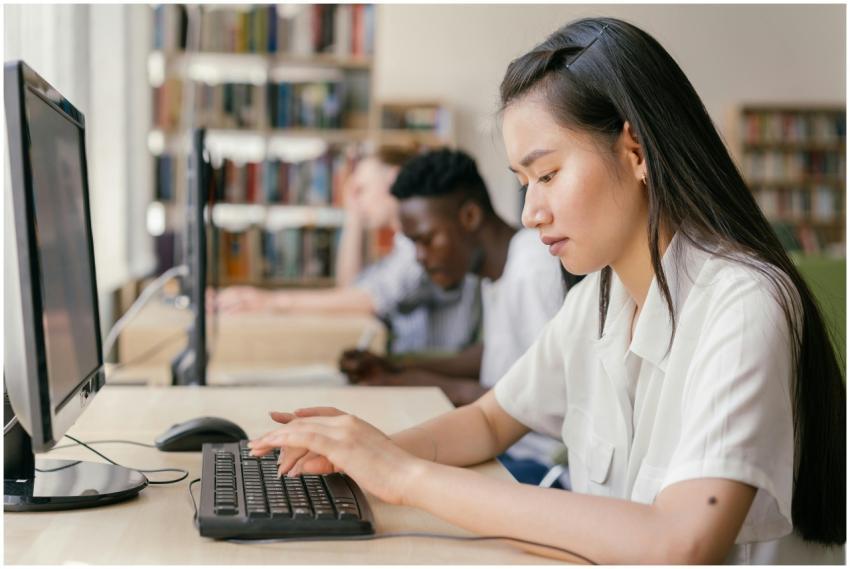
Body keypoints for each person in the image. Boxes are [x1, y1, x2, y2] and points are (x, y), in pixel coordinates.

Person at [248, 17, 846, 563]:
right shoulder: (598, 298)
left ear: (635, 151)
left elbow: (680, 542)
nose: (531, 212)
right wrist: (362, 456)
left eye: (548, 174)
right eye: (523, 182)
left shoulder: (743, 303)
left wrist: (405, 477)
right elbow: (488, 421)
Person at [338, 148, 573, 486]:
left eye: (427, 239)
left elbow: (545, 399)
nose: (420, 257)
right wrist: (398, 366)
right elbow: (496, 357)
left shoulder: (532, 268)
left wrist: (417, 381)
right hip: (509, 449)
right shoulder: (496, 271)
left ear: (469, 217)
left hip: (541, 464)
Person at [214, 146, 481, 355]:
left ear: (394, 179)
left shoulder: (422, 246)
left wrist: (270, 302)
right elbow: (351, 288)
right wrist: (353, 216)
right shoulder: (402, 247)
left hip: (430, 371)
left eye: (361, 189)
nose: (354, 198)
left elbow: (368, 300)